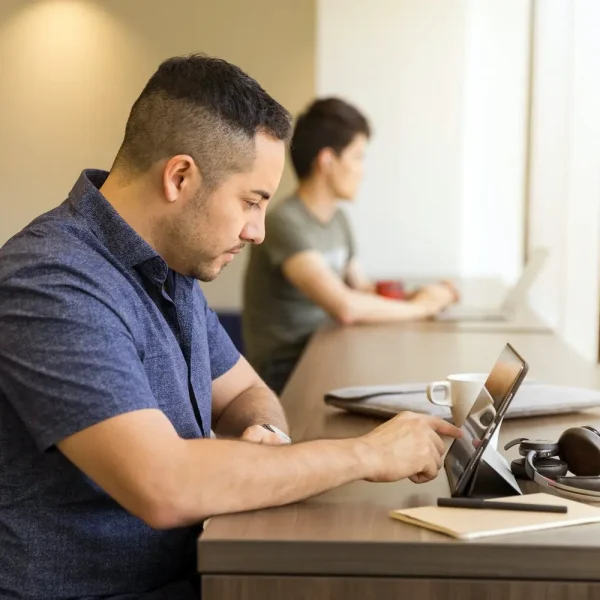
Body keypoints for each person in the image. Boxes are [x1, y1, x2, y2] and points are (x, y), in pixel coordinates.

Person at [0, 55, 461, 600]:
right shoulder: (50, 282)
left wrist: (265, 436)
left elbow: (244, 389)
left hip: (198, 566)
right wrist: (368, 454)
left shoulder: (169, 265)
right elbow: (163, 484)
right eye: (251, 201)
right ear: (180, 177)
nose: (258, 231)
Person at [242, 98, 458, 394]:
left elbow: (361, 290)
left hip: (328, 348)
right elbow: (345, 306)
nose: (363, 170)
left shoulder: (338, 220)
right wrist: (421, 308)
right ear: (327, 161)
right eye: (358, 157)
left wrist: (419, 294)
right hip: (288, 370)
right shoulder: (285, 222)